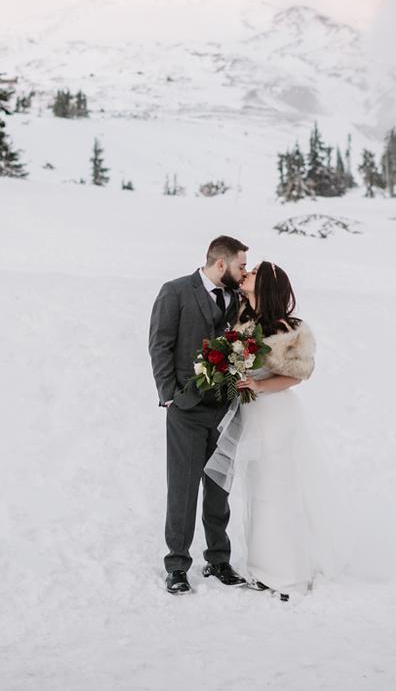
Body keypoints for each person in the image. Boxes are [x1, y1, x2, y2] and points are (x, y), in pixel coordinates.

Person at [205, 261, 328, 600]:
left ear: (269, 283)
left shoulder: (289, 327)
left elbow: (298, 375)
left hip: (274, 411)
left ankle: (287, 575)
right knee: (258, 490)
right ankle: (262, 568)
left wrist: (259, 386)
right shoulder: (242, 318)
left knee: (278, 489)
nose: (247, 272)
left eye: (255, 270)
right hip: (249, 413)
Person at [147, 234, 250, 594]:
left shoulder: (238, 299)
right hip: (186, 409)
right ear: (220, 264)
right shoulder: (174, 291)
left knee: (219, 487)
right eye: (241, 266)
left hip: (224, 409)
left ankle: (218, 559)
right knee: (183, 489)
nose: (244, 272)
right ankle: (176, 565)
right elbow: (160, 344)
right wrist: (169, 397)